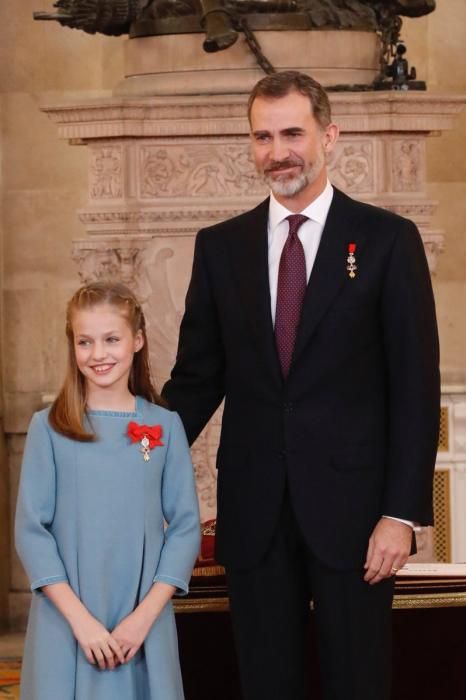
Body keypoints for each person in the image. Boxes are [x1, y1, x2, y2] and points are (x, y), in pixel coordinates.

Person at [162, 71, 440, 700]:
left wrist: (401, 514)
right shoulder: (220, 248)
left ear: (329, 136)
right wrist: (132, 446)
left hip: (359, 519)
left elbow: (415, 389)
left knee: (357, 682)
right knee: (266, 683)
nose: (277, 150)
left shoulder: (387, 240)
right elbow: (196, 380)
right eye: (263, 136)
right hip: (255, 513)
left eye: (292, 132)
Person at [15, 281, 201, 700]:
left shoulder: (165, 426)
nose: (98, 354)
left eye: (111, 339)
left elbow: (186, 527)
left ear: (137, 340)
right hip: (67, 619)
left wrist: (144, 618)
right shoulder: (48, 428)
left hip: (142, 620)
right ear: (72, 346)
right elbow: (31, 530)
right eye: (85, 342)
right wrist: (82, 623)